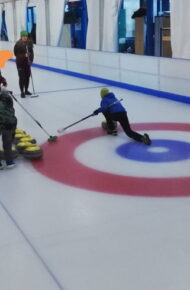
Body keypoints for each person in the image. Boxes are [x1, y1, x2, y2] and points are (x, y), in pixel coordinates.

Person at [0, 79, 17, 169]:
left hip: (7, 122)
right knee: (7, 143)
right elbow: (11, 106)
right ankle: (9, 161)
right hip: (8, 123)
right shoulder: (7, 98)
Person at [14, 30, 34, 98]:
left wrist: (31, 60)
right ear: (21, 37)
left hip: (27, 64)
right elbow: (16, 54)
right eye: (23, 36)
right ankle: (22, 92)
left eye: (26, 36)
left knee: (27, 77)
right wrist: (24, 55)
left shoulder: (29, 44)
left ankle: (26, 90)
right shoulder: (18, 44)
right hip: (20, 64)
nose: (25, 37)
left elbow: (32, 53)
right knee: (21, 77)